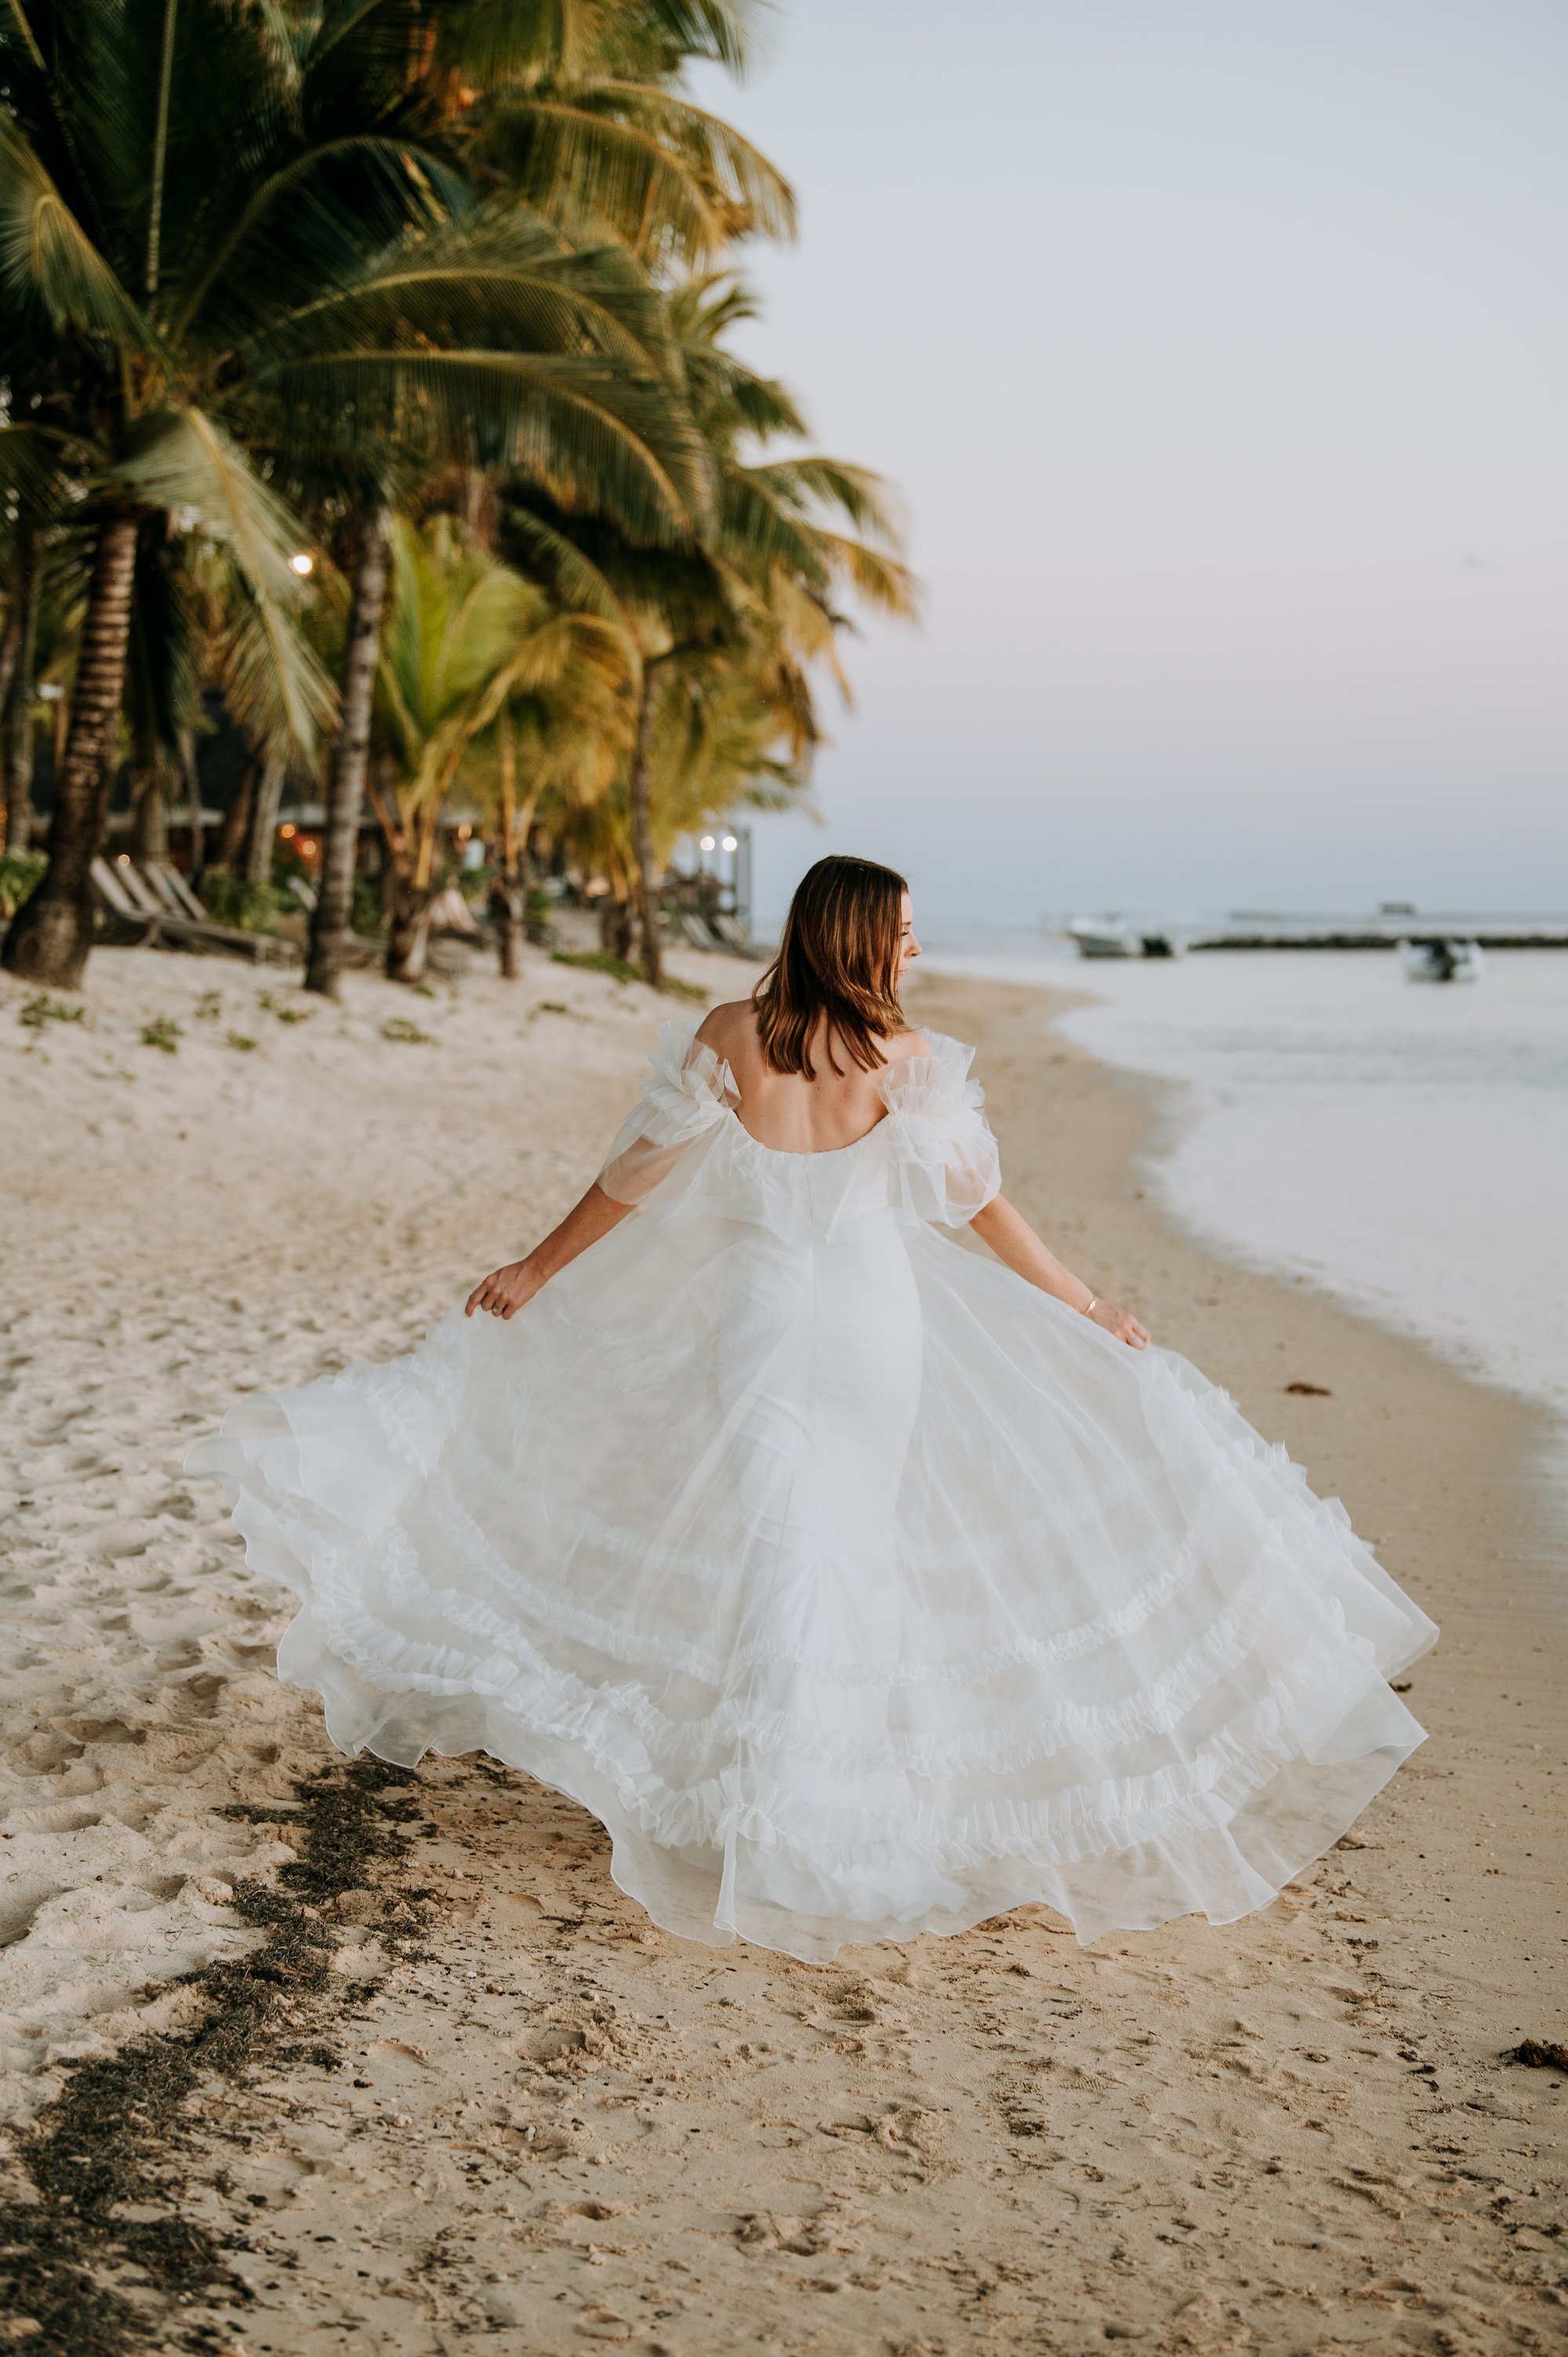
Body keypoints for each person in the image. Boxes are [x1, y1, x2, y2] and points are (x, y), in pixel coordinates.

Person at [189, 855, 1436, 1963]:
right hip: (871, 1329)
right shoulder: (910, 1059)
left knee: (786, 1549)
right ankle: (811, 1805)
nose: (914, 949)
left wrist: (535, 1267)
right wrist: (1085, 1302)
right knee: (846, 1548)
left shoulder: (732, 1033)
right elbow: (985, 1208)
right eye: (900, 930)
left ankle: (782, 1806)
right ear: (859, 938)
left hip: (763, 1327)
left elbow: (632, 1177)